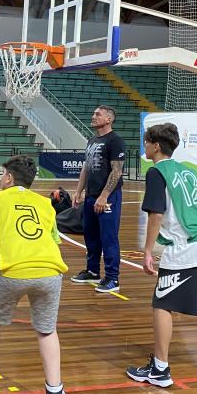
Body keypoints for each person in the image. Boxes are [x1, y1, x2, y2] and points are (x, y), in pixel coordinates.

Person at [126, 123, 197, 388]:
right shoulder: (187, 171)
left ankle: (160, 369)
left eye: (146, 142)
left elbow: (156, 214)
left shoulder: (156, 172)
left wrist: (148, 250)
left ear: (156, 146)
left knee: (162, 304)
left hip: (187, 247)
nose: (145, 147)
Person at [0, 155, 70, 394]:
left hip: (11, 270)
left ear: (9, 177)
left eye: (2, 175)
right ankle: (55, 393)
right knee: (47, 330)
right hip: (50, 270)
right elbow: (54, 241)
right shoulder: (45, 204)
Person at [71, 105, 125, 293]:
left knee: (108, 237)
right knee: (91, 236)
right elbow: (86, 168)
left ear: (108, 119)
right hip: (90, 197)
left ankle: (112, 278)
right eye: (94, 113)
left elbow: (117, 171)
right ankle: (93, 271)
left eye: (98, 114)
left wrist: (104, 196)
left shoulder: (115, 140)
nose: (93, 116)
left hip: (108, 198)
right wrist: (79, 191)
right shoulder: (92, 140)